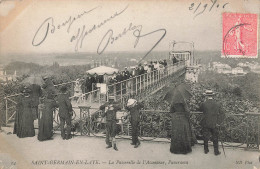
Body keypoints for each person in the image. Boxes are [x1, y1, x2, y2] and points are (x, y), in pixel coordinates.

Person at [164, 83, 192, 154]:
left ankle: (175, 150)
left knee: (176, 134)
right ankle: (184, 150)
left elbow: (171, 111)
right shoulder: (183, 101)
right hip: (182, 119)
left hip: (175, 119)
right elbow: (187, 111)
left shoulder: (173, 101)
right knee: (183, 134)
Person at [199, 90, 225, 156]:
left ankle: (206, 150)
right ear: (213, 96)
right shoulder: (217, 104)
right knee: (215, 137)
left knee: (205, 136)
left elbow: (199, 109)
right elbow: (222, 114)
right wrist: (218, 122)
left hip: (206, 122)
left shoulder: (204, 104)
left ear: (206, 96)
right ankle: (216, 152)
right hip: (214, 123)